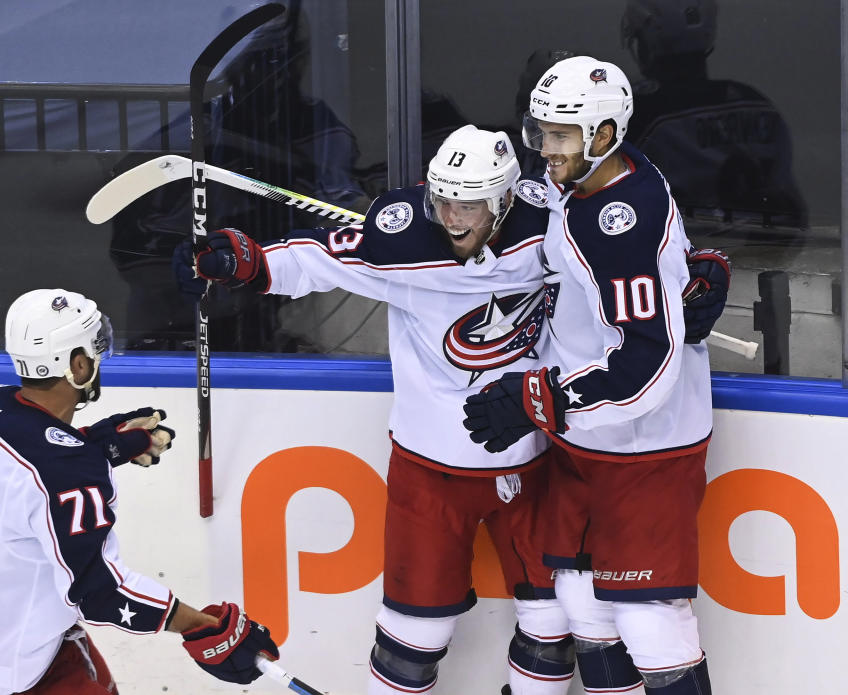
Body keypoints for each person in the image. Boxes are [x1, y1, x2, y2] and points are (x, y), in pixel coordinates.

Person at [191, 124, 727, 695]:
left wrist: (701, 268)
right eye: (442, 199)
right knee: (412, 635)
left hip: (534, 459)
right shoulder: (402, 241)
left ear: (502, 200)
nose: (451, 217)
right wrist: (243, 261)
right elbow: (318, 258)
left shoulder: (548, 224)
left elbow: (631, 242)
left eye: (468, 204)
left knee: (555, 622)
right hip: (431, 467)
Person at [464, 56, 720, 694]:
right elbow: (552, 207)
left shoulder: (619, 223)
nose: (544, 149)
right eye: (541, 132)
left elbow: (645, 367)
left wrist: (539, 398)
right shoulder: (592, 183)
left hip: (644, 449)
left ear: (604, 135)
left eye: (560, 136)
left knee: (649, 617)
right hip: (588, 443)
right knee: (583, 603)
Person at [0, 288, 278, 694]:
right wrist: (203, 628)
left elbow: (25, 467)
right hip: (11, 670)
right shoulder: (66, 472)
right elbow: (102, 592)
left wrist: (96, 446)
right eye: (94, 350)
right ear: (77, 363)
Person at [621, 0, 807, 236]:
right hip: (767, 252)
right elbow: (793, 210)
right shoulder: (756, 103)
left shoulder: (641, 112)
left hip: (689, 255)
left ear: (649, 38)